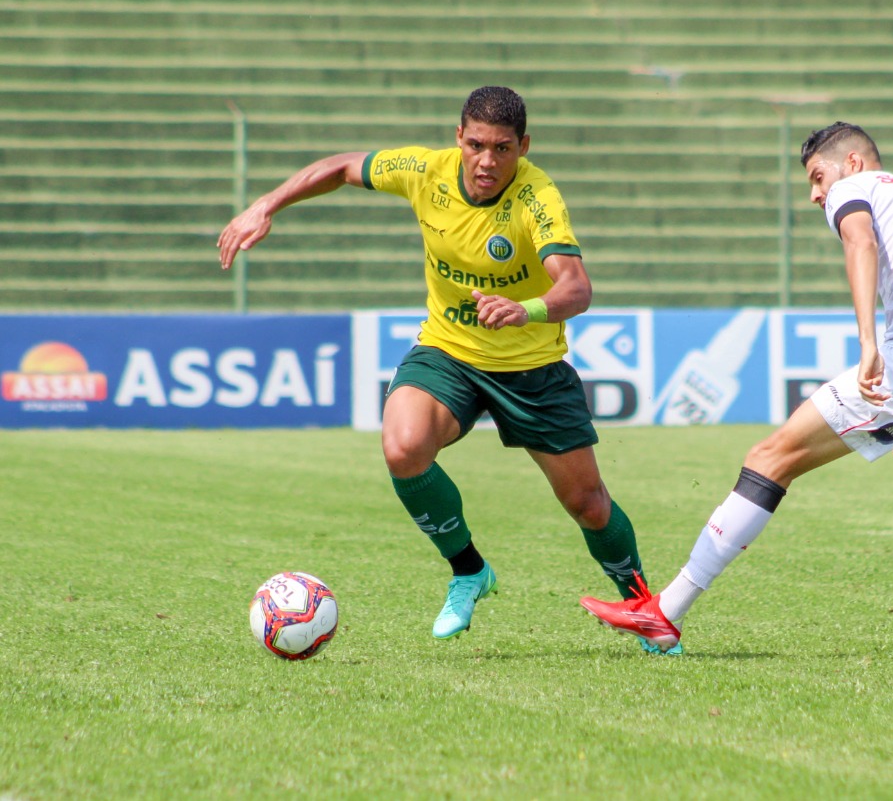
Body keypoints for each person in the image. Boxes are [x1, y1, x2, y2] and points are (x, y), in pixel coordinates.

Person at [581, 122, 893, 655]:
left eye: (818, 177)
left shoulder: (856, 187)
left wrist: (869, 341)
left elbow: (861, 242)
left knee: (770, 458)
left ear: (854, 162)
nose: (816, 194)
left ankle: (665, 613)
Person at [218, 86, 674, 653]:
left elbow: (576, 288)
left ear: (523, 147)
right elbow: (340, 167)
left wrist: (525, 310)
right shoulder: (425, 171)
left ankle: (645, 611)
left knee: (588, 504)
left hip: (530, 366)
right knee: (403, 447)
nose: (487, 161)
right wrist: (266, 204)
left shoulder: (537, 198)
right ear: (458, 137)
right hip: (449, 352)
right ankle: (469, 570)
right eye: (476, 144)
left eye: (502, 148)